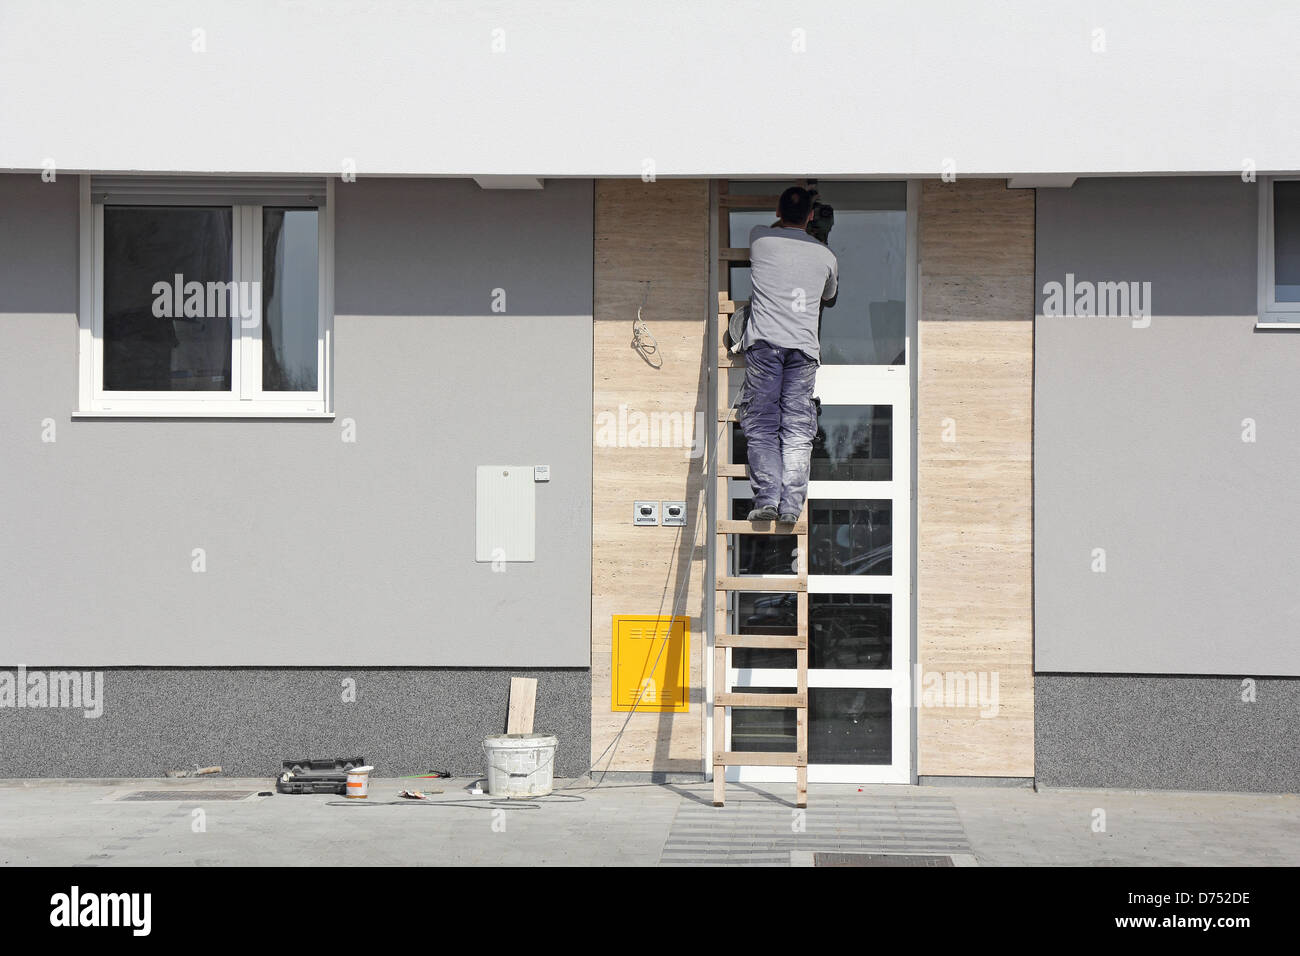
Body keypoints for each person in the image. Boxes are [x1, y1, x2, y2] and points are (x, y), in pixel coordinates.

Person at [738, 186, 838, 523]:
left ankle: (767, 499)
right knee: (796, 429)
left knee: (763, 424)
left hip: (765, 345)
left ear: (779, 212)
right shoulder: (826, 256)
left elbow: (774, 227)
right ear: (812, 216)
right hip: (803, 349)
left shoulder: (760, 239)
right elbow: (829, 296)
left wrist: (791, 219)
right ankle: (791, 508)